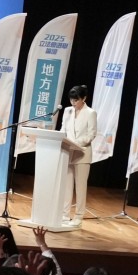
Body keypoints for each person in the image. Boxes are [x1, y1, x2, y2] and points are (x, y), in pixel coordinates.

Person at [60, 84, 98, 227]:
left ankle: (79, 216)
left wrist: (75, 142)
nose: (73, 103)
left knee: (80, 187)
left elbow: (91, 134)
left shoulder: (90, 113)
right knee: (67, 185)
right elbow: (63, 128)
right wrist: (63, 139)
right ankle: (64, 214)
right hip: (68, 152)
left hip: (82, 153)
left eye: (76, 100)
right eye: (71, 100)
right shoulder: (67, 111)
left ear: (84, 98)